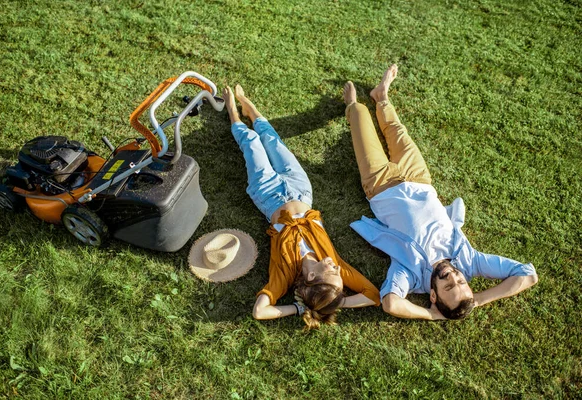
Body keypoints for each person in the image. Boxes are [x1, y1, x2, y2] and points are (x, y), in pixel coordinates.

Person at [343, 64, 538, 320]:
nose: (454, 277)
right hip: (419, 178)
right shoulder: (470, 262)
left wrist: (431, 315)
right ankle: (381, 96)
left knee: (359, 118)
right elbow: (527, 274)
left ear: (433, 296)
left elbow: (391, 303)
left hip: (380, 184)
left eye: (448, 286)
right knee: (396, 130)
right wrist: (476, 300)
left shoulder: (411, 274)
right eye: (462, 283)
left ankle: (352, 104)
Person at [222, 85, 380, 329]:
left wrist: (301, 308)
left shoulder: (284, 275)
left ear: (311, 277)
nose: (337, 267)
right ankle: (247, 104)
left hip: (268, 195)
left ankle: (232, 110)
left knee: (252, 142)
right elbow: (373, 294)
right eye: (339, 274)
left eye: (332, 274)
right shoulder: (332, 260)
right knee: (272, 140)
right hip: (301, 190)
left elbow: (260, 311)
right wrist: (335, 301)